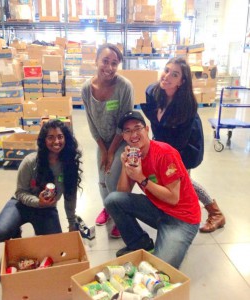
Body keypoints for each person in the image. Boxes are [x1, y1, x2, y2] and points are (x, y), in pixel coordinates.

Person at [105, 111, 201, 269]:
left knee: (159, 271)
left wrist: (141, 178)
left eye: (137, 128)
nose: (133, 134)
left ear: (147, 129)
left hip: (183, 219)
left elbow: (173, 198)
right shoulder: (134, 157)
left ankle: (173, 242)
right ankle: (140, 243)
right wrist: (125, 166)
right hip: (158, 208)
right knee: (112, 200)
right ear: (123, 136)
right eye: (127, 131)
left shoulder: (165, 153)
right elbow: (121, 193)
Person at [140, 57, 225, 233]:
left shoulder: (187, 106)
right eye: (166, 70)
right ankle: (178, 212)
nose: (167, 76)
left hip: (185, 146)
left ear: (181, 81)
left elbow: (179, 143)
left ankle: (215, 213)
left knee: (182, 180)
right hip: (163, 141)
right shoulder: (153, 93)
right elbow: (154, 120)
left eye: (175, 74)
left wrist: (161, 156)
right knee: (172, 181)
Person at [0, 119, 83, 242]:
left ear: (66, 139)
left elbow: (70, 195)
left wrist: (72, 223)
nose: (56, 141)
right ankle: (15, 230)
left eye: (60, 137)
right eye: (51, 137)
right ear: (44, 140)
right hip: (20, 205)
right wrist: (38, 202)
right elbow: (20, 192)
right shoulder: (30, 162)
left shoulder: (69, 164)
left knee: (54, 244)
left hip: (46, 209)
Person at [81, 43, 134, 238]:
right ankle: (109, 208)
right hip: (102, 142)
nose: (109, 67)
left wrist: (111, 152)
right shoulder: (87, 88)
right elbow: (91, 122)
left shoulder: (124, 87)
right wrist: (103, 149)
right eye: (105, 61)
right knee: (102, 181)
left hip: (122, 141)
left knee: (113, 180)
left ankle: (122, 215)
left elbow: (124, 122)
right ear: (96, 61)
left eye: (114, 63)